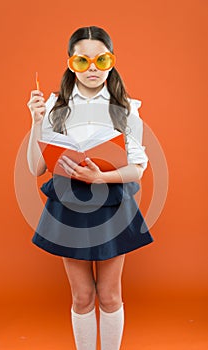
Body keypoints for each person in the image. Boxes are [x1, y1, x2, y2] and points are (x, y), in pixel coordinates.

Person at [27, 26, 153, 350]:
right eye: (83, 61)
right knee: (82, 297)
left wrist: (100, 178)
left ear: (112, 61)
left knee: (110, 295)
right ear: (71, 63)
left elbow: (137, 170)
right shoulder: (57, 106)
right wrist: (35, 122)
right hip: (69, 205)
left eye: (101, 59)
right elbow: (36, 168)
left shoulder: (126, 109)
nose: (93, 68)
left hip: (111, 202)